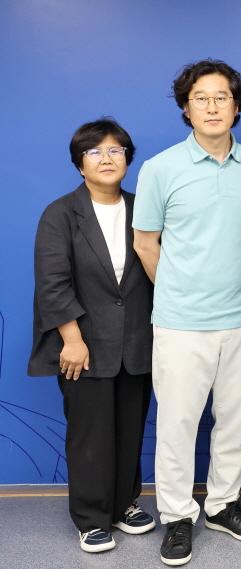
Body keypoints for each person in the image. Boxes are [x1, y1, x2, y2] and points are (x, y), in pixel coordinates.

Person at [132, 59, 241, 566]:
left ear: (237, 105)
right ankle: (176, 516)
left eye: (222, 97)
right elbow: (145, 243)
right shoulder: (160, 168)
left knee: (235, 418)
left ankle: (223, 504)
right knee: (178, 424)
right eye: (201, 98)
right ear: (186, 108)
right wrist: (180, 291)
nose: (212, 107)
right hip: (181, 321)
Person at [28, 119, 155, 553]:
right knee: (90, 435)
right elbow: (52, 283)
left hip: (137, 341)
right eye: (95, 152)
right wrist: (72, 338)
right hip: (83, 344)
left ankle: (124, 505)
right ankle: (91, 517)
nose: (106, 159)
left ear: (127, 159)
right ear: (80, 164)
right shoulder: (61, 213)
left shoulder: (143, 209)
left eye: (116, 150)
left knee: (130, 429)